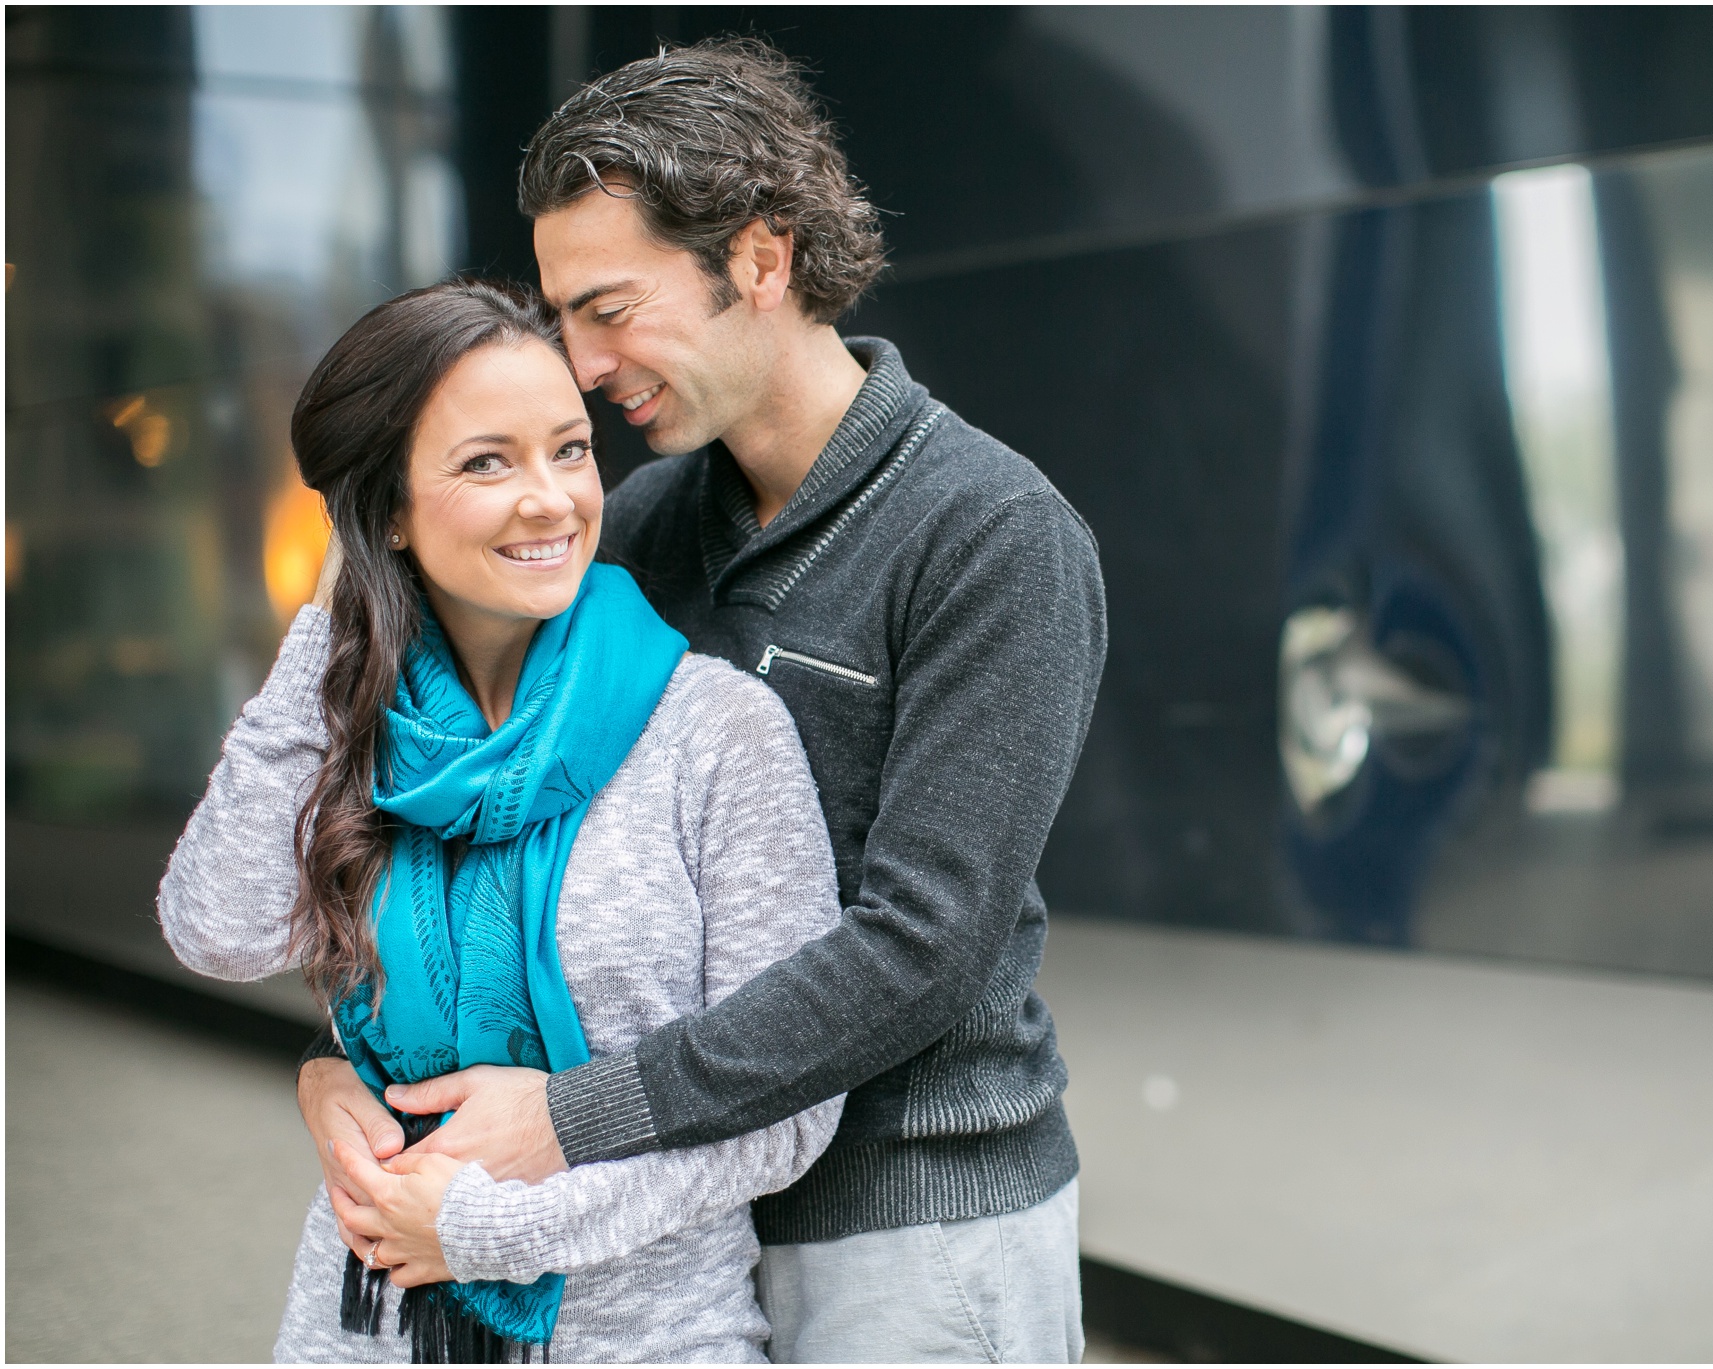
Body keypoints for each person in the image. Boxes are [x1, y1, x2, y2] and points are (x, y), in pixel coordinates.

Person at [294, 37, 1109, 1363]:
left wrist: (569, 1117)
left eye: (609, 306)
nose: (579, 360)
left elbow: (925, 947)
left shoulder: (993, 536)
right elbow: (468, 835)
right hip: (668, 1227)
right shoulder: (633, 535)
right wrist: (342, 1068)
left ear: (763, 260)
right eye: (561, 315)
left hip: (908, 1230)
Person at [158, 279, 846, 1362]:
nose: (551, 499)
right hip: (365, 1326)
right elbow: (219, 929)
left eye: (569, 450)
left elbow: (788, 1110)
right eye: (487, 461)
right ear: (387, 509)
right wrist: (325, 647)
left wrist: (489, 1228)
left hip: (646, 1339)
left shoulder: (714, 733)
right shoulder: (349, 721)